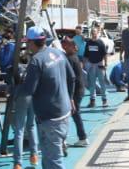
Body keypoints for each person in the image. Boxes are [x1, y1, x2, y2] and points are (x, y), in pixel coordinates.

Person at [14, 26, 76, 169]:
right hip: (64, 112)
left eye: (27, 42)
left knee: (54, 162)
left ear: (31, 42)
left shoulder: (36, 61)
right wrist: (71, 98)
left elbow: (28, 90)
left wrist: (15, 92)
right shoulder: (58, 53)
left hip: (50, 119)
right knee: (48, 160)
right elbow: (72, 77)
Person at [59, 36, 89, 147]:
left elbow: (70, 78)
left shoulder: (70, 58)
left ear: (70, 46)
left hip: (75, 91)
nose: (63, 46)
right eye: (62, 44)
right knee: (74, 114)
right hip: (78, 90)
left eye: (64, 44)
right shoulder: (72, 56)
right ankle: (81, 137)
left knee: (71, 114)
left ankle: (80, 137)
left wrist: (70, 97)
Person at [82, 26, 110, 106]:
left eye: (95, 32)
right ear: (91, 33)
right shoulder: (89, 43)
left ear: (97, 33)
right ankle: (92, 101)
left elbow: (105, 54)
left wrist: (106, 64)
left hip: (100, 65)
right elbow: (86, 55)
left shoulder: (100, 42)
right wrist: (84, 64)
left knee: (102, 83)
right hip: (91, 65)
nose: (94, 34)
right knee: (92, 84)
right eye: (92, 32)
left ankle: (104, 100)